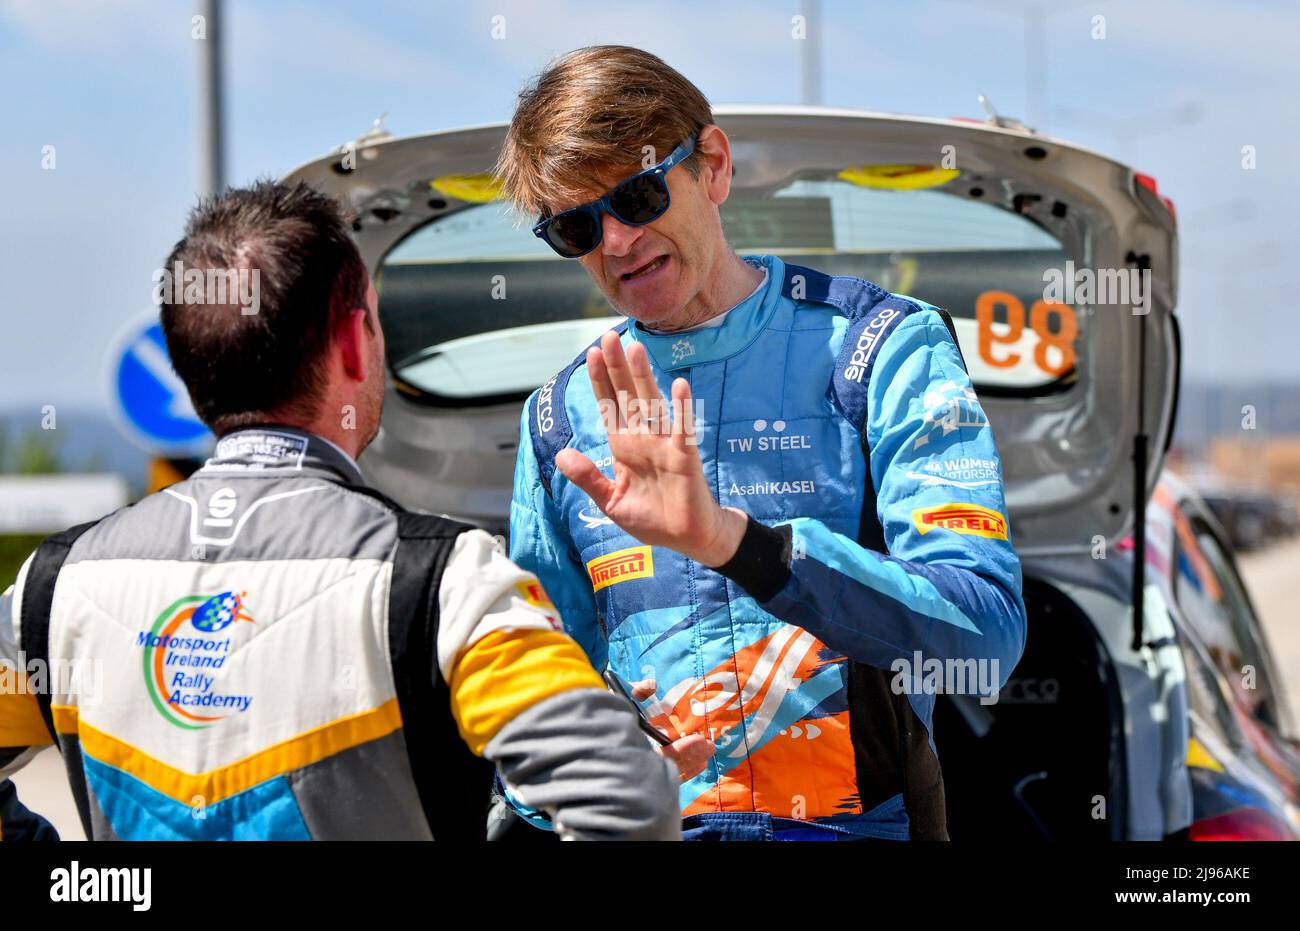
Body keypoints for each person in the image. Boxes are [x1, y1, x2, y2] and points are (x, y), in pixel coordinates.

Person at [0, 181, 682, 841]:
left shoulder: (53, 583)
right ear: (356, 342)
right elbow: (625, 796)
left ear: (187, 359)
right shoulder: (446, 582)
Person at [499, 46, 1028, 841]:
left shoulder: (882, 349)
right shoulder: (558, 418)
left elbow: (985, 639)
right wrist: (613, 752)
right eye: (576, 225)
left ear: (712, 165)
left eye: (637, 197)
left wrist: (740, 546)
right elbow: (536, 710)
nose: (614, 243)